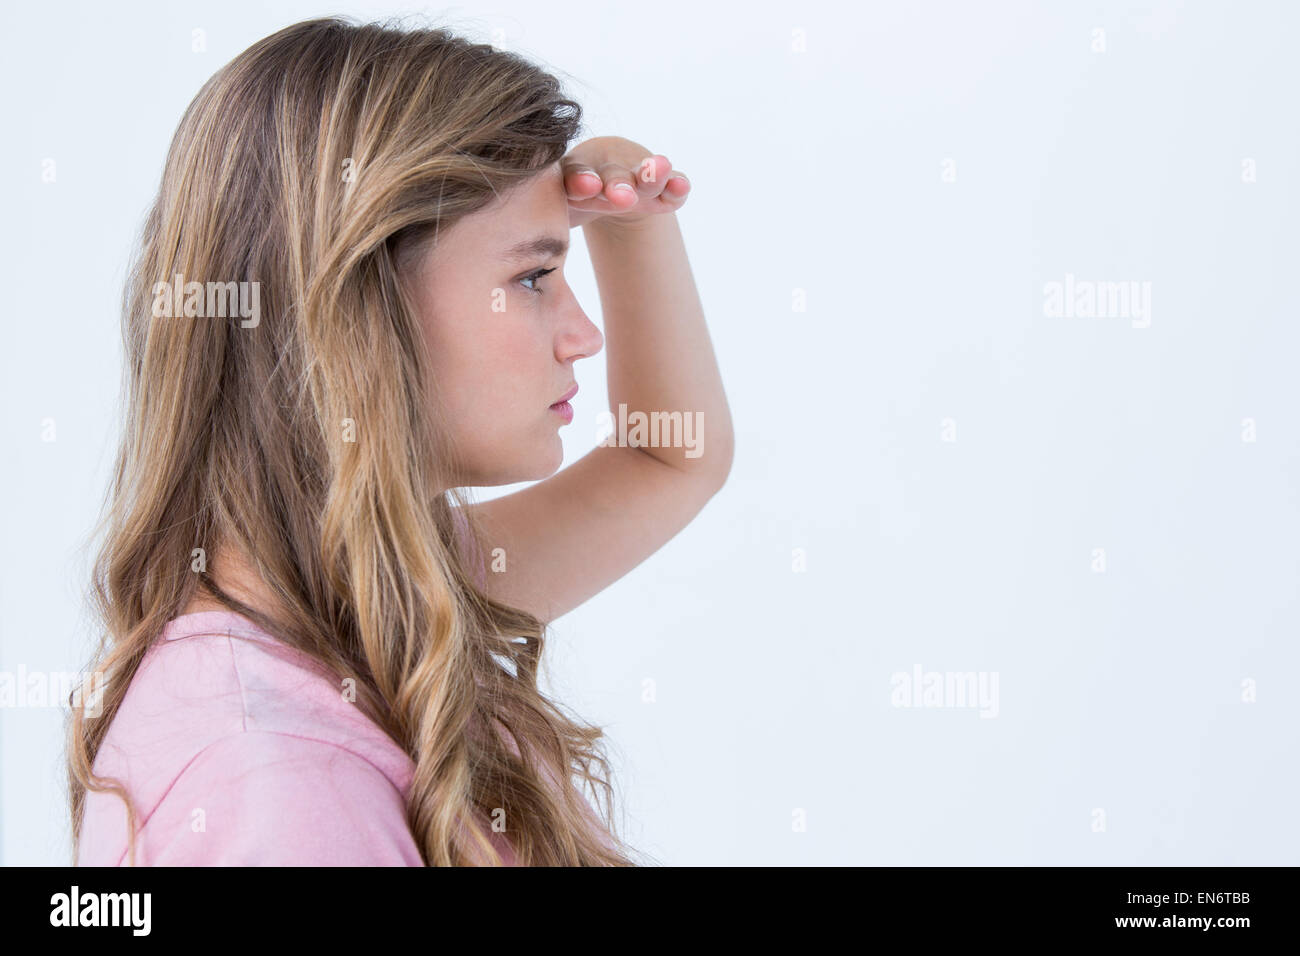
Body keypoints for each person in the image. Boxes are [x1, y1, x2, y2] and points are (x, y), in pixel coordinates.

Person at [67, 15, 732, 866]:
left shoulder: (367, 602)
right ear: (356, 315)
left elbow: (667, 457)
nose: (582, 334)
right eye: (531, 277)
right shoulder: (283, 784)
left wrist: (631, 222)